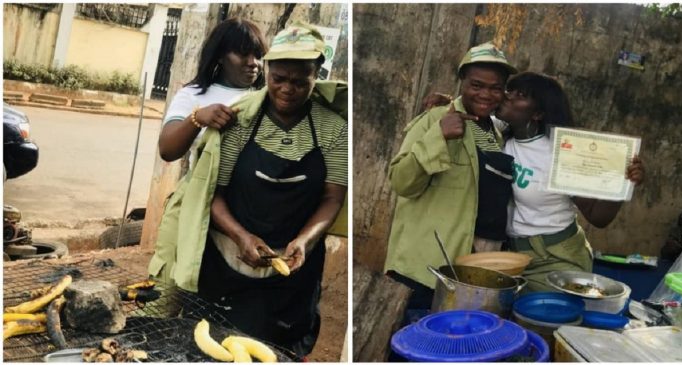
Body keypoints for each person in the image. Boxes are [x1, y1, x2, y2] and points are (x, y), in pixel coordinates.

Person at [193, 22, 347, 357]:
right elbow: (212, 195)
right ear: (267, 71)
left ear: (316, 74)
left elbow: (333, 196)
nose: (287, 89)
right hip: (228, 260)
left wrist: (304, 241)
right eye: (279, 78)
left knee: (282, 351)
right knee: (217, 348)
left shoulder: (334, 129)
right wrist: (240, 236)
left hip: (293, 270)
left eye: (299, 80)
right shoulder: (240, 119)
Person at [383, 42, 517, 312]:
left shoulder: (497, 134)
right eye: (476, 85)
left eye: (495, 88)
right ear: (462, 82)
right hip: (424, 270)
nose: (486, 95)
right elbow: (400, 181)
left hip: (469, 271)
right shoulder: (433, 120)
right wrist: (438, 136)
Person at [495, 72, 644, 292]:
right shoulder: (497, 133)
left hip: (555, 256)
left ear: (537, 113)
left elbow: (598, 217)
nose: (508, 96)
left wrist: (622, 182)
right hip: (510, 255)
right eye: (510, 90)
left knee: (536, 317)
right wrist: (444, 104)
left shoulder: (560, 154)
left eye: (521, 95)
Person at [158, 17, 268, 163]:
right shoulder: (193, 95)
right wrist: (197, 119)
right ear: (220, 56)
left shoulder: (266, 98)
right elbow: (167, 150)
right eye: (243, 54)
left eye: (258, 56)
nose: (253, 63)